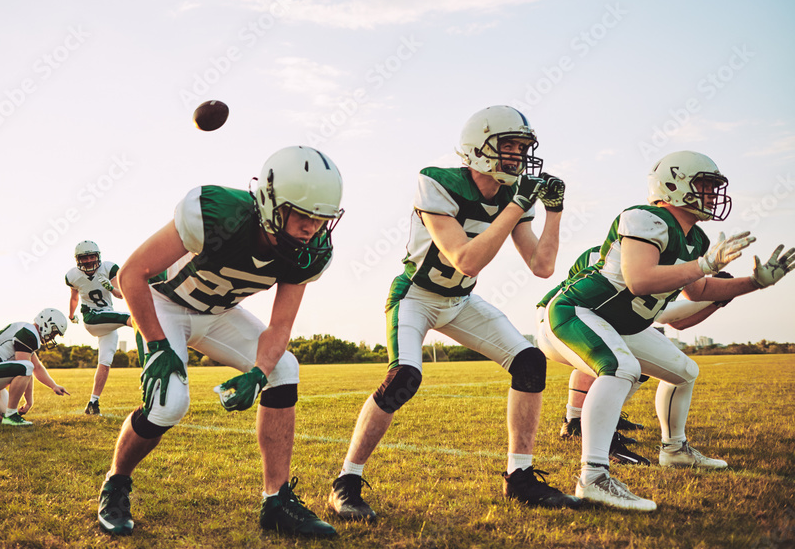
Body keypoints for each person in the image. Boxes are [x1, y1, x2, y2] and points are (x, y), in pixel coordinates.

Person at [328, 105, 581, 524]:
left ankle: (519, 476)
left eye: (522, 147)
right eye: (510, 146)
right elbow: (465, 259)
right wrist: (516, 207)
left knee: (530, 362)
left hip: (460, 302)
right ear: (478, 147)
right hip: (416, 296)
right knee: (403, 377)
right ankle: (346, 482)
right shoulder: (437, 183)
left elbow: (541, 266)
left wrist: (553, 211)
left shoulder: (511, 196)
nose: (518, 156)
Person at [97, 146, 345, 538]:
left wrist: (259, 374)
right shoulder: (214, 213)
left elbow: (279, 327)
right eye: (303, 214)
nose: (311, 228)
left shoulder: (310, 251)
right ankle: (116, 483)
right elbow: (131, 274)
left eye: (321, 218)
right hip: (167, 306)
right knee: (168, 404)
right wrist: (158, 344)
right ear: (270, 202)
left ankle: (276, 500)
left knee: (283, 369)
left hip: (218, 314)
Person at [539, 150, 794, 511]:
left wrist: (753, 282)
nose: (710, 194)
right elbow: (640, 280)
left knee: (684, 371)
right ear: (674, 185)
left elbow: (699, 291)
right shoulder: (646, 218)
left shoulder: (697, 239)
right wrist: (703, 264)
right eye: (704, 185)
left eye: (712, 187)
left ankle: (674, 449)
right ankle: (593, 477)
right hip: (578, 311)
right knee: (621, 369)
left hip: (621, 324)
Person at [537, 246, 735, 466]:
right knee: (617, 365)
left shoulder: (671, 260)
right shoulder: (610, 254)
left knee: (683, 370)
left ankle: (675, 449)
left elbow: (673, 320)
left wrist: (717, 298)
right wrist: (713, 295)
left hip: (614, 322)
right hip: (563, 317)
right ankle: (597, 438)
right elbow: (665, 315)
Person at [66, 240, 134, 415]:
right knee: (131, 319)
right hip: (92, 318)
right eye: (84, 257)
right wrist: (71, 314)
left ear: (97, 256)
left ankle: (93, 403)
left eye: (91, 256)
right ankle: (155, 348)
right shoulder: (72, 276)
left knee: (105, 363)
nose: (88, 260)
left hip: (108, 321)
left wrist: (110, 288)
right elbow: (74, 297)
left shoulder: (109, 268)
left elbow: (120, 295)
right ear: (78, 260)